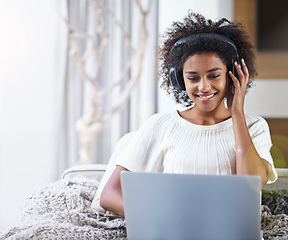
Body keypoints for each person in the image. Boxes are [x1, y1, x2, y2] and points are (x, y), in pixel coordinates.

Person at [91, 11, 278, 218]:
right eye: (193, 78)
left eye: (214, 75)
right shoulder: (161, 124)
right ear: (181, 80)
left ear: (233, 75)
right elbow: (109, 194)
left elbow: (249, 190)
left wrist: (237, 115)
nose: (204, 86)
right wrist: (162, 217)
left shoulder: (254, 126)